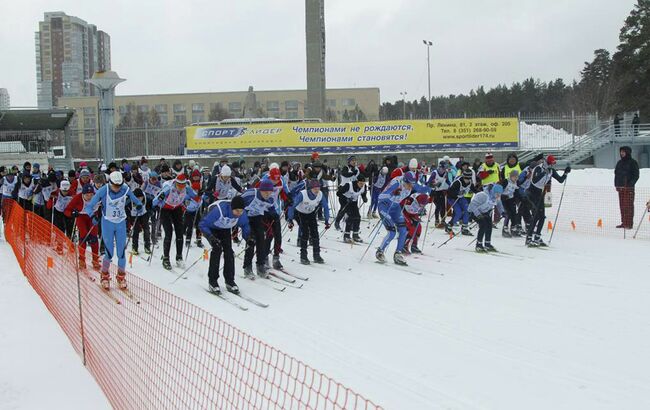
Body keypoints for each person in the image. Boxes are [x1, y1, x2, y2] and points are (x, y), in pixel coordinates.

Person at [84, 171, 143, 289]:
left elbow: (136, 200)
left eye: (119, 186)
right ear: (109, 183)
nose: (117, 188)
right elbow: (89, 206)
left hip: (121, 223)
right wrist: (92, 216)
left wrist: (139, 205)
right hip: (107, 224)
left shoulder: (125, 189)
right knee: (109, 253)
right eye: (115, 186)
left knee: (121, 253)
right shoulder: (103, 190)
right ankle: (104, 275)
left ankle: (121, 276)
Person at [376, 171, 431, 266]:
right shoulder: (396, 183)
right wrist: (392, 194)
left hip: (395, 207)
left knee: (403, 230)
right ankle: (380, 251)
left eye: (412, 184)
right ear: (404, 181)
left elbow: (422, 189)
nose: (411, 187)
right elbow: (381, 196)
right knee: (392, 231)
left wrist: (431, 185)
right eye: (409, 184)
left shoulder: (411, 184)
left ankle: (398, 253)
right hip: (384, 206)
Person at [199, 196, 249, 294]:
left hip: (225, 227)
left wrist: (249, 237)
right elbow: (202, 224)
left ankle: (230, 280)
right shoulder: (219, 211)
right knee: (217, 249)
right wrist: (211, 238)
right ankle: (213, 281)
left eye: (241, 211)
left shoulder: (241, 214)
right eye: (237, 211)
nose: (239, 214)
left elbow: (245, 224)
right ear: (231, 208)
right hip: (211, 227)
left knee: (229, 252)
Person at [153, 174, 196, 270]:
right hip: (166, 209)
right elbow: (154, 202)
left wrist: (198, 197)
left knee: (180, 233)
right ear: (175, 183)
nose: (181, 188)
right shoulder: (168, 188)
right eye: (179, 186)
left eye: (183, 186)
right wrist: (160, 199)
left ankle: (179, 257)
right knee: (168, 233)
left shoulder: (187, 188)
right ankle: (166, 258)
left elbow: (196, 197)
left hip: (177, 209)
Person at [525, 155, 570, 246]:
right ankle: (529, 238)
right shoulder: (538, 168)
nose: (552, 165)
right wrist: (543, 173)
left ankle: (537, 237)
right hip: (532, 192)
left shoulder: (551, 170)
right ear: (547, 162)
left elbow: (560, 180)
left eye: (553, 164)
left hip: (540, 194)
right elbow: (534, 180)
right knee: (537, 216)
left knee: (542, 217)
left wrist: (565, 173)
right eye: (551, 163)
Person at [287, 179, 330, 265]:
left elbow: (325, 207)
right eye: (315, 189)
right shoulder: (303, 194)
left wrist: (326, 220)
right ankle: (303, 256)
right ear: (310, 188)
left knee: (315, 233)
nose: (317, 191)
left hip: (310, 213)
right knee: (305, 233)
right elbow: (292, 206)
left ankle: (316, 255)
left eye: (318, 188)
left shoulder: (320, 194)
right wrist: (290, 219)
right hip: (299, 213)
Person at [241, 180, 276, 278]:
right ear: (260, 190)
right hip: (246, 218)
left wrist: (274, 216)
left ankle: (260, 265)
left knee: (261, 239)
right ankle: (247, 267)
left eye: (269, 192)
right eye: (265, 192)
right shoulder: (250, 194)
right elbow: (238, 202)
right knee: (251, 240)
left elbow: (271, 208)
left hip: (257, 217)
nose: (267, 194)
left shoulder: (270, 198)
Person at [65, 184, 101, 270]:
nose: (89, 197)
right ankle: (81, 260)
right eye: (87, 195)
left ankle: (95, 260)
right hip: (81, 217)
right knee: (83, 237)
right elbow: (67, 210)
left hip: (92, 217)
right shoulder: (77, 198)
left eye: (91, 195)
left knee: (94, 238)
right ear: (83, 194)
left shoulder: (98, 197)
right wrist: (73, 213)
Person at [469, 184, 503, 252]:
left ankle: (487, 243)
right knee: (483, 225)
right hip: (474, 211)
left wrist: (503, 212)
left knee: (489, 225)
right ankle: (479, 244)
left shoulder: (495, 197)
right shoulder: (483, 195)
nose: (498, 195)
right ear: (493, 191)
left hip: (484, 212)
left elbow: (499, 204)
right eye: (497, 193)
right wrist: (478, 214)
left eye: (500, 194)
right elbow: (472, 205)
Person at [614, 146, 640, 229]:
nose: (622, 153)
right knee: (622, 206)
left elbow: (636, 175)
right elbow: (616, 174)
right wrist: (616, 185)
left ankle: (629, 224)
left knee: (628, 206)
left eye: (623, 152)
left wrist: (630, 185)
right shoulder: (619, 163)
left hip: (629, 189)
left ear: (627, 152)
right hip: (620, 188)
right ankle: (623, 222)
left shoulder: (633, 162)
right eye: (621, 152)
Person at [338, 175, 367, 244]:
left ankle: (355, 235)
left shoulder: (363, 186)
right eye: (360, 183)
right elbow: (338, 193)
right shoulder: (349, 185)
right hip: (345, 201)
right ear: (357, 182)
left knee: (357, 217)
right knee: (350, 217)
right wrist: (346, 199)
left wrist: (364, 197)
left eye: (363, 183)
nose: (361, 185)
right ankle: (346, 235)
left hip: (353, 202)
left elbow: (363, 193)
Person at [445, 169, 475, 236]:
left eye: (469, 178)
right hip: (452, 198)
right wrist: (457, 193)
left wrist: (481, 193)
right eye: (466, 178)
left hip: (460, 197)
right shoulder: (458, 182)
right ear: (463, 176)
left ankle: (464, 228)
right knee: (458, 212)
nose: (467, 180)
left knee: (467, 210)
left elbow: (474, 189)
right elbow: (449, 192)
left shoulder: (470, 182)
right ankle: (449, 226)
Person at [129, 188, 152, 256]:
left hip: (143, 214)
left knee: (146, 229)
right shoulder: (129, 199)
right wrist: (129, 218)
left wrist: (150, 212)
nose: (139, 199)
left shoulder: (147, 197)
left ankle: (147, 247)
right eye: (137, 198)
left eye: (140, 198)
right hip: (134, 215)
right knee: (136, 230)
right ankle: (135, 247)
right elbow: (125, 208)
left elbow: (151, 204)